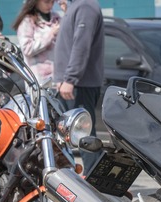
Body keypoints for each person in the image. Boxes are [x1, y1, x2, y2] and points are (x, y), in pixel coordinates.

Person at [54, 0, 103, 173]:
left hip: (78, 85)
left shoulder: (85, 6)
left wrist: (70, 79)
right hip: (73, 84)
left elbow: (81, 45)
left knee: (83, 137)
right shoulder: (78, 6)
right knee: (73, 136)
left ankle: (96, 186)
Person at [12, 0, 61, 85]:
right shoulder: (27, 21)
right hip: (39, 80)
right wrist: (50, 34)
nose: (50, 5)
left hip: (58, 78)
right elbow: (27, 49)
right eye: (46, 2)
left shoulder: (56, 18)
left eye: (52, 2)